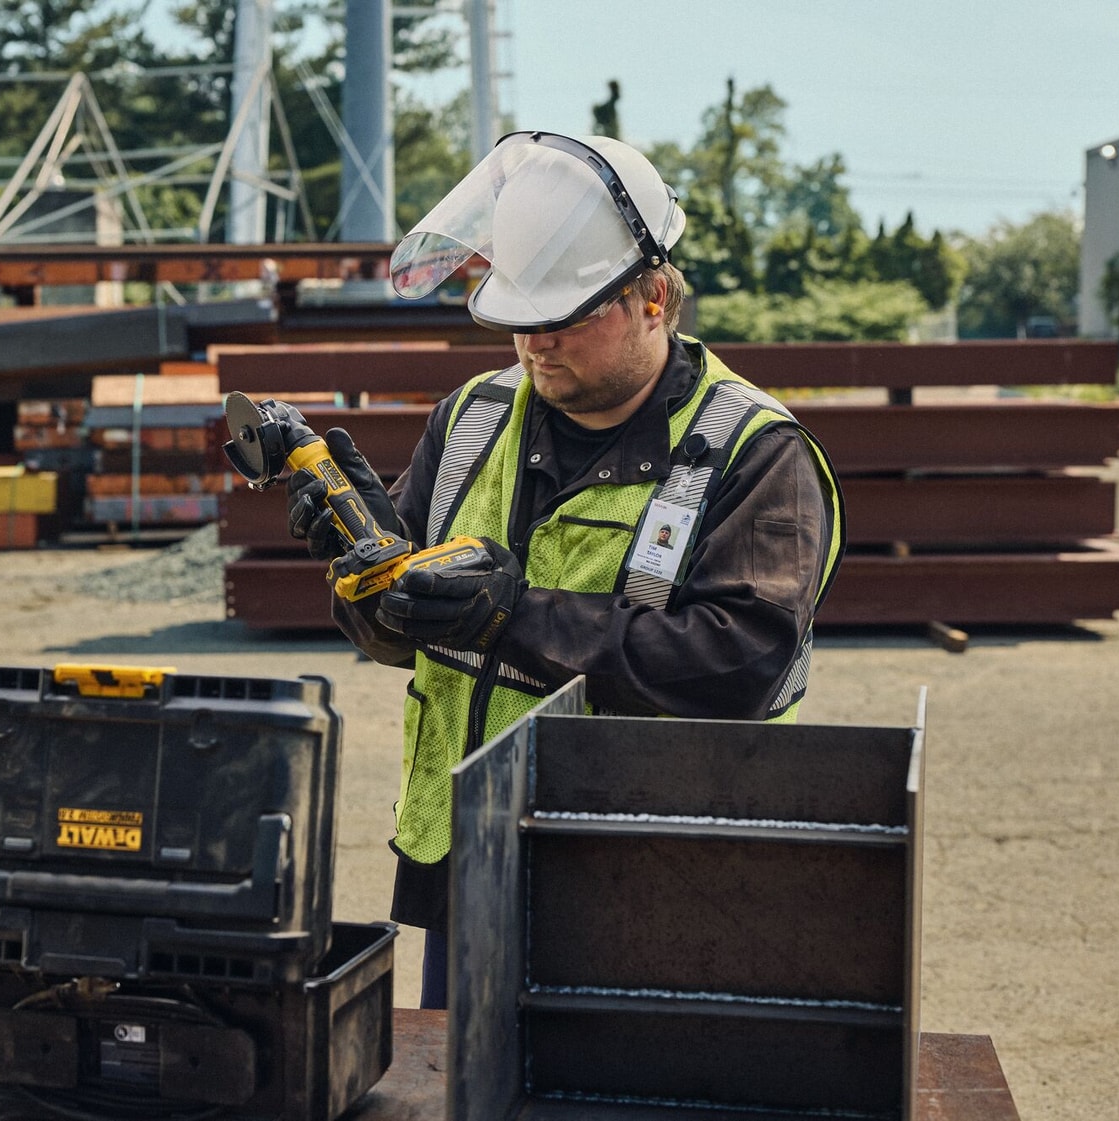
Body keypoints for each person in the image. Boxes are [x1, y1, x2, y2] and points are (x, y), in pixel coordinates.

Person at [286, 131, 845, 1009]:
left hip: (656, 889)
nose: (535, 344)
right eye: (518, 318)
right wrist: (366, 569)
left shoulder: (755, 453)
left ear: (654, 296)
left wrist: (511, 613)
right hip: (466, 861)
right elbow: (401, 636)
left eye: (565, 315)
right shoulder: (470, 419)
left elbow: (740, 662)